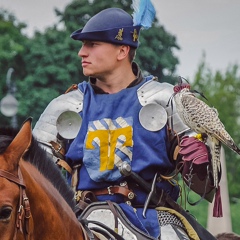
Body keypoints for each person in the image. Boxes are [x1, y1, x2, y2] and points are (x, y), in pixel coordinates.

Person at [33, 2, 219, 239]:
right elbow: (29, 176)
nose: (82, 52)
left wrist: (199, 166)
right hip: (81, 221)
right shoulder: (64, 107)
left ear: (122, 51)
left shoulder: (166, 100)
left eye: (92, 44)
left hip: (156, 222)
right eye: (83, 45)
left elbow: (206, 187)